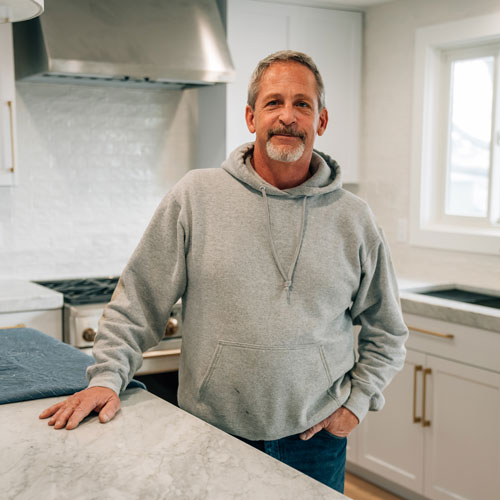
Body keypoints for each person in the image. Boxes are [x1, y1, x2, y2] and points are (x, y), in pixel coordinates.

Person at [39, 50, 408, 493]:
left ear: (321, 121)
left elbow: (388, 332)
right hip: (209, 429)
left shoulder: (355, 219)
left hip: (316, 439)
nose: (287, 116)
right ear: (251, 116)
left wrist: (357, 403)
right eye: (274, 103)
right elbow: (138, 301)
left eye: (302, 104)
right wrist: (107, 378)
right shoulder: (196, 197)